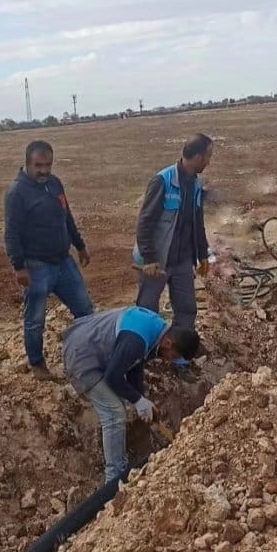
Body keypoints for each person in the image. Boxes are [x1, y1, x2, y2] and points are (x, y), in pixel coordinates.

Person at [62, 306, 199, 482]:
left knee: (120, 402)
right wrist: (137, 400)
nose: (168, 360)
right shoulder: (136, 339)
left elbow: (135, 364)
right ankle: (114, 478)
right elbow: (113, 376)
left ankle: (119, 466)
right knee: (114, 413)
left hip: (94, 349)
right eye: (173, 356)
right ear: (168, 344)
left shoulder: (156, 330)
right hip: (81, 356)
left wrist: (140, 397)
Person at [4, 140, 94, 380]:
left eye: (48, 165)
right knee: (35, 320)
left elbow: (67, 216)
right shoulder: (17, 193)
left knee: (85, 310)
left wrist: (80, 245)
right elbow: (11, 233)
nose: (44, 171)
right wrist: (19, 266)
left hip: (64, 262)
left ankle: (88, 355)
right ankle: (37, 364)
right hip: (37, 266)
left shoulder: (54, 184)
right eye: (38, 166)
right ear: (27, 164)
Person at [133, 133, 214, 331]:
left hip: (182, 260)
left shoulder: (197, 184)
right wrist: (149, 258)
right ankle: (147, 351)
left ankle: (179, 351)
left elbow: (197, 222)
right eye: (208, 156)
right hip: (157, 260)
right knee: (147, 309)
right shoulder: (163, 181)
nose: (209, 162)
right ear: (197, 157)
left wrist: (202, 254)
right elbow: (145, 223)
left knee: (187, 309)